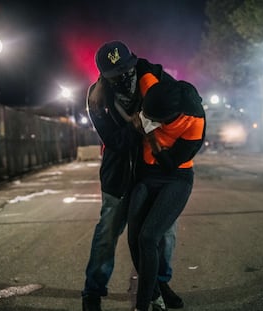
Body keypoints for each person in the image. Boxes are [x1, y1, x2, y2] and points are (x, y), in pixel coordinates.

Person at [82, 40, 183, 311]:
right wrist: (138, 126)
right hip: (119, 177)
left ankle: (160, 284)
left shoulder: (155, 78)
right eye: (116, 76)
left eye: (128, 70)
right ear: (104, 76)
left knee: (165, 234)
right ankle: (92, 292)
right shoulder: (96, 98)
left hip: (154, 173)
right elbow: (114, 141)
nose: (125, 78)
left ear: (134, 63)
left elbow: (180, 105)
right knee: (107, 234)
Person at [127, 79, 206, 311]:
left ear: (170, 116)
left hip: (176, 177)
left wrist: (150, 136)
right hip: (145, 175)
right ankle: (156, 292)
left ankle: (143, 305)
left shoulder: (194, 121)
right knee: (134, 239)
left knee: (149, 237)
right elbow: (139, 66)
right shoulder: (154, 92)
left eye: (154, 118)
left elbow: (171, 165)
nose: (148, 119)